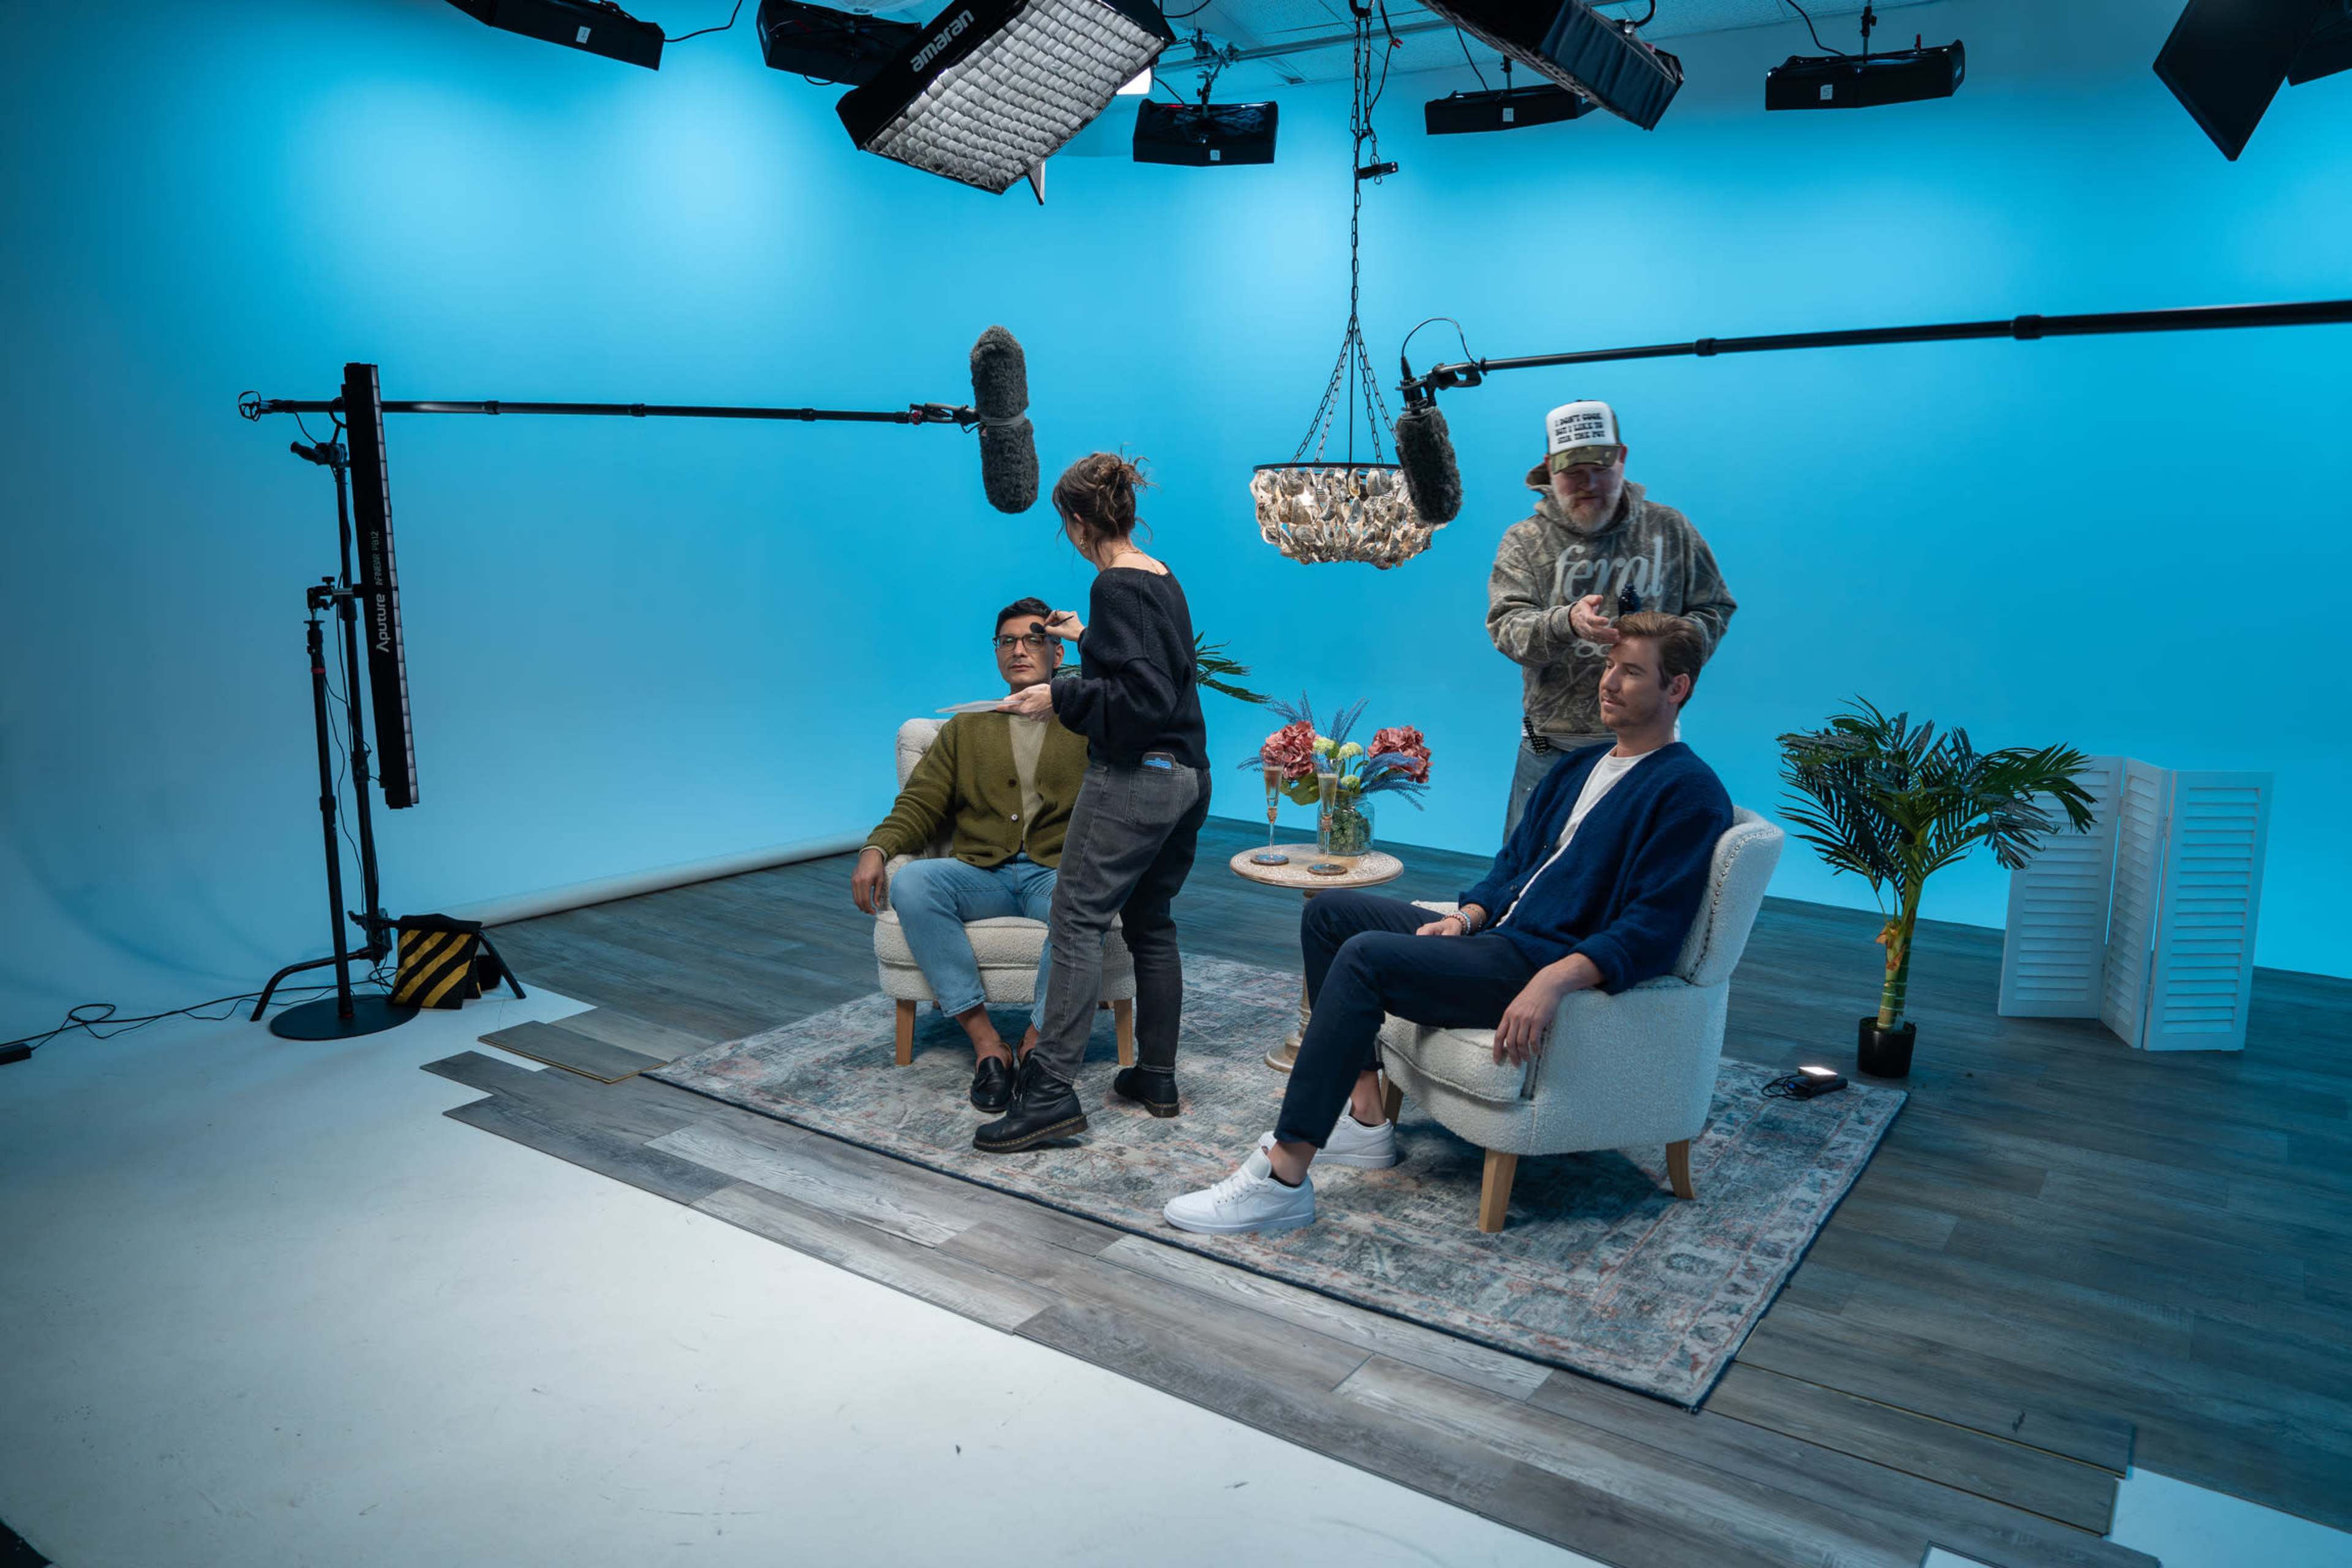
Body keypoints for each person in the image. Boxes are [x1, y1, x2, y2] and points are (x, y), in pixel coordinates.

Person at [1162, 612, 1730, 1235]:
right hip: (1497, 937)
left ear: (1677, 687)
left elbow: (1653, 929)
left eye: (1632, 672)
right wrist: (1467, 915)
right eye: (1610, 665)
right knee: (1331, 913)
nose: (1609, 682)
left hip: (1536, 960)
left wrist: (1554, 980)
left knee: (1366, 957)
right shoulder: (1581, 767)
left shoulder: (1688, 791)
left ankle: (1282, 1178)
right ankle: (1367, 1119)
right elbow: (1512, 865)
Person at [974, 453, 1211, 1154]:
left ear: (1078, 522)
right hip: (1187, 775)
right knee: (1151, 922)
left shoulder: (1115, 584)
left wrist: (1058, 694)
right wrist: (1085, 637)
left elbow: (1143, 699)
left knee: (1074, 920)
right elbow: (1159, 669)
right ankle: (1155, 1077)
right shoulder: (1158, 575)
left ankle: (1049, 1094)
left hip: (1137, 776)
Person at [851, 597, 1088, 1113]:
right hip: (983, 873)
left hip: (1056, 874)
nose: (1019, 650)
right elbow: (920, 802)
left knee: (1083, 903)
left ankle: (1035, 1044)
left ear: (1057, 652)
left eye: (1033, 639)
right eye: (1007, 641)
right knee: (913, 882)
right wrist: (877, 847)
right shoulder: (966, 727)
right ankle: (987, 1045)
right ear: (996, 653)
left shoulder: (1088, 720)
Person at [1488, 399, 1736, 837]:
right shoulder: (1524, 540)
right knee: (1522, 870)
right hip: (1549, 750)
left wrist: (1665, 647)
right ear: (1550, 467)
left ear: (1622, 458)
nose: (1588, 484)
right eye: (1573, 471)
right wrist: (1568, 622)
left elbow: (1714, 605)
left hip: (1650, 750)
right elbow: (1508, 628)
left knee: (1637, 868)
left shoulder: (1670, 529)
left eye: (1600, 468)